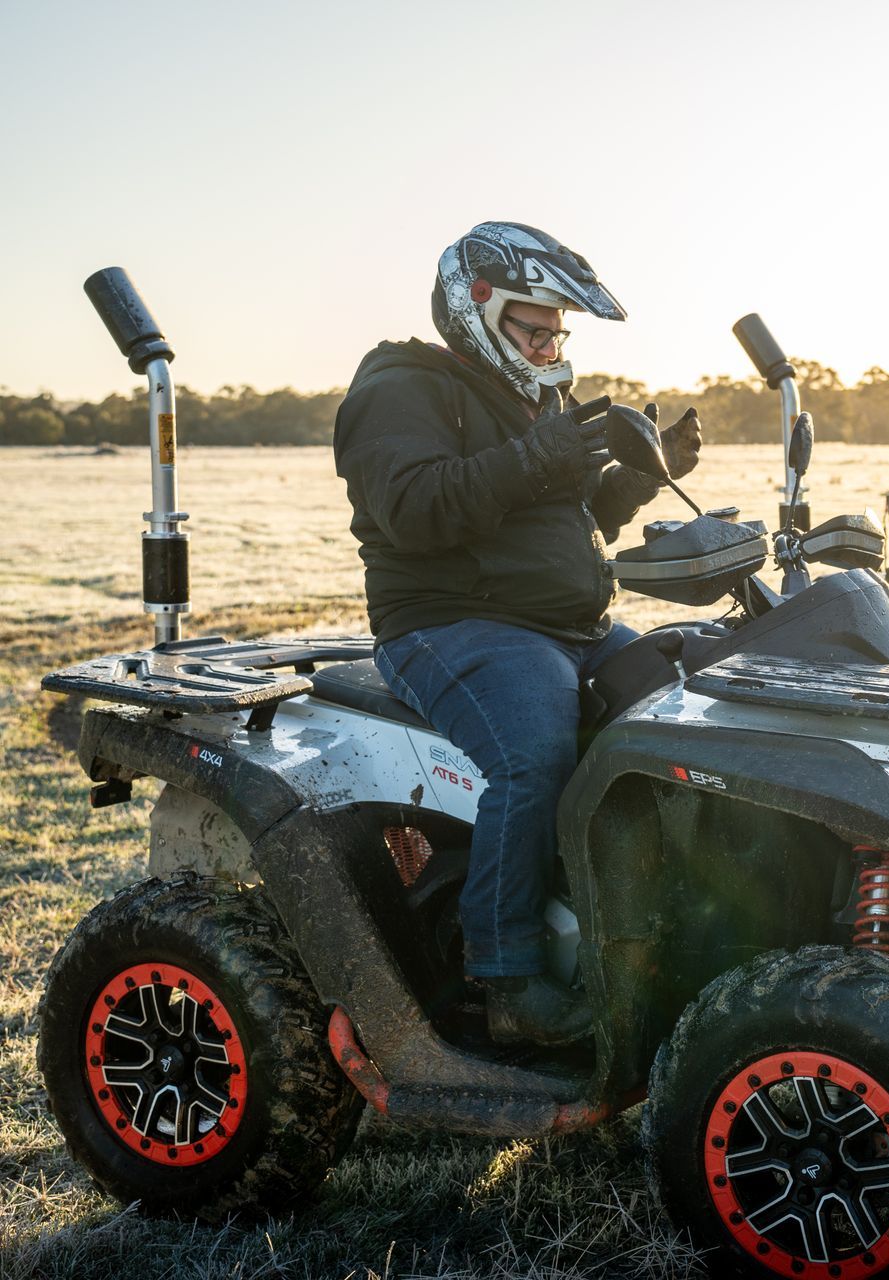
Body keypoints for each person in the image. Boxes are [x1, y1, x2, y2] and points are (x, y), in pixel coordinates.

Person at [333, 221, 701, 1045]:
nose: (549, 347)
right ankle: (507, 981)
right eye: (534, 330)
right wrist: (538, 458)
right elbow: (415, 508)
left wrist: (640, 478)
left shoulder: (536, 398)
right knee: (532, 753)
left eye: (556, 333)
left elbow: (565, 521)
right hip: (448, 622)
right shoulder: (399, 386)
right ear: (477, 310)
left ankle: (639, 931)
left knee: (675, 719)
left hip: (568, 623)